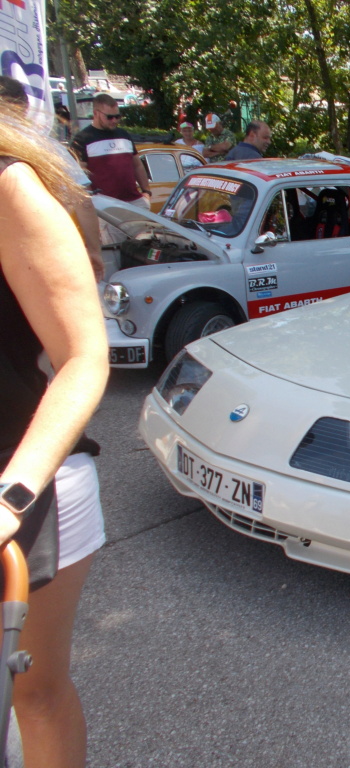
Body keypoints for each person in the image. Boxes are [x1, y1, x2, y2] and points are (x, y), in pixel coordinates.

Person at [0, 99, 109, 768]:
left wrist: (11, 499)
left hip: (24, 477)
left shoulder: (8, 188)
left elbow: (82, 356)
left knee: (31, 694)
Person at [0, 77, 103, 280]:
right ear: (24, 107)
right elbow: (82, 202)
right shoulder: (48, 149)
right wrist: (94, 252)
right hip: (44, 255)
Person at [71, 93, 151, 209]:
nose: (114, 120)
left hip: (135, 201)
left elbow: (137, 165)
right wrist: (91, 201)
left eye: (117, 116)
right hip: (105, 205)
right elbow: (79, 173)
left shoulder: (124, 135)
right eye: (109, 117)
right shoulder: (82, 139)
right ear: (96, 113)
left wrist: (146, 192)